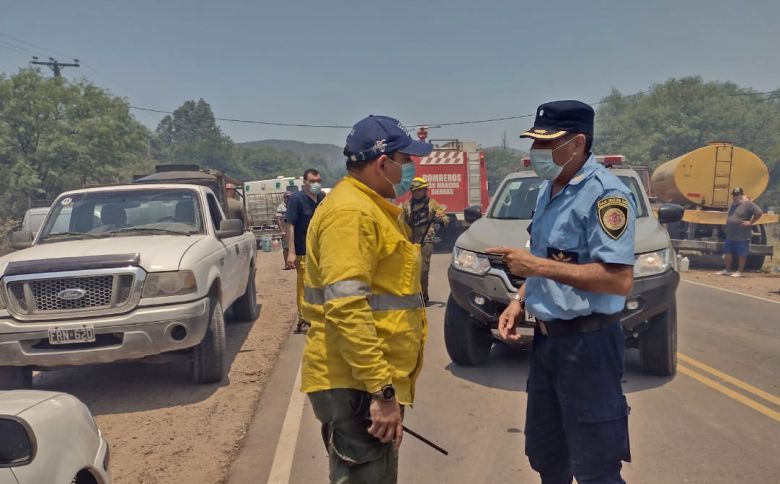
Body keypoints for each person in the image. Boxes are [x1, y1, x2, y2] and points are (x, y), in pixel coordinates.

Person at [487, 100, 636, 483]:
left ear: (577, 143)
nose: (536, 152)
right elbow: (547, 256)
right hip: (548, 344)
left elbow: (617, 279)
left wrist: (534, 267)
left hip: (589, 346)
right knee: (547, 455)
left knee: (595, 466)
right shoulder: (548, 189)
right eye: (534, 142)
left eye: (545, 143)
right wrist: (519, 300)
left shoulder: (606, 195)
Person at [300, 115, 433, 483]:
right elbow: (346, 307)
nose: (409, 169)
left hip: (362, 379)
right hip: (358, 384)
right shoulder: (351, 215)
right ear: (382, 163)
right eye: (406, 161)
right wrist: (382, 390)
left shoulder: (369, 207)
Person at [286, 169, 325, 333]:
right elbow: (290, 226)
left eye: (318, 180)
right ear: (304, 183)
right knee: (305, 286)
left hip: (321, 251)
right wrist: (291, 252)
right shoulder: (296, 200)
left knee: (320, 285)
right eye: (312, 181)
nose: (316, 184)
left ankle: (319, 314)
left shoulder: (322, 198)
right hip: (303, 251)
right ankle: (304, 319)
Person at [400, 177, 450, 304]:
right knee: (410, 270)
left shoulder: (432, 204)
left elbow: (445, 218)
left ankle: (423, 296)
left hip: (426, 241)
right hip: (411, 241)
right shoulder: (407, 205)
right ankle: (411, 294)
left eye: (420, 190)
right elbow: (400, 223)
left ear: (425, 190)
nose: (417, 193)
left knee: (423, 270)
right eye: (415, 191)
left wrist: (441, 220)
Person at [718, 187, 762, 277]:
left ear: (742, 195)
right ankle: (727, 270)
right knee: (727, 251)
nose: (735, 197)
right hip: (730, 234)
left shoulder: (748, 204)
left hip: (741, 234)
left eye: (737, 195)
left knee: (741, 253)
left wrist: (750, 222)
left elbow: (759, 213)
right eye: (734, 195)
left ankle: (739, 271)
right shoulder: (733, 205)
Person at [276, 191, 293, 270]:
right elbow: (278, 219)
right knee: (286, 248)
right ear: (284, 198)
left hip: (293, 229)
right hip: (285, 230)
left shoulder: (294, 205)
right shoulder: (281, 207)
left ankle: (293, 263)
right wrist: (282, 230)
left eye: (290, 197)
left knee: (294, 247)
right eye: (287, 197)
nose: (289, 198)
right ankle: (287, 264)